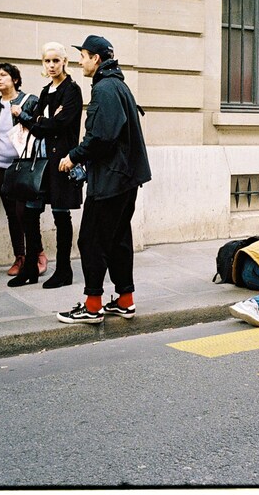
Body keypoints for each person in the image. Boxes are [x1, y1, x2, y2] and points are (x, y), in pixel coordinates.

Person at [56, 35, 151, 324]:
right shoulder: (117, 84)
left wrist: (74, 156)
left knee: (91, 241)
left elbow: (102, 136)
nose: (80, 61)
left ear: (96, 59)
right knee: (118, 240)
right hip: (125, 179)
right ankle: (125, 300)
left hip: (111, 180)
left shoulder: (105, 88)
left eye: (83, 56)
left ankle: (93, 305)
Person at [10, 42, 84, 288]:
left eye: (55, 60)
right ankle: (31, 267)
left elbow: (59, 124)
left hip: (62, 161)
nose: (51, 65)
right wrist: (42, 119)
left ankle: (64, 270)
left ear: (64, 62)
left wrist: (36, 119)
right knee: (30, 213)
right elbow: (40, 126)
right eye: (47, 61)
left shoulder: (72, 90)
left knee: (60, 215)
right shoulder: (45, 91)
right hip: (40, 162)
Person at [0, 63, 40, 278]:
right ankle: (20, 257)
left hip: (21, 166)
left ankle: (37, 253)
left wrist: (22, 114)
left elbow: (38, 130)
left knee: (24, 212)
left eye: (3, 75)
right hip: (0, 168)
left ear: (14, 79)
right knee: (12, 214)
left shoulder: (29, 101)